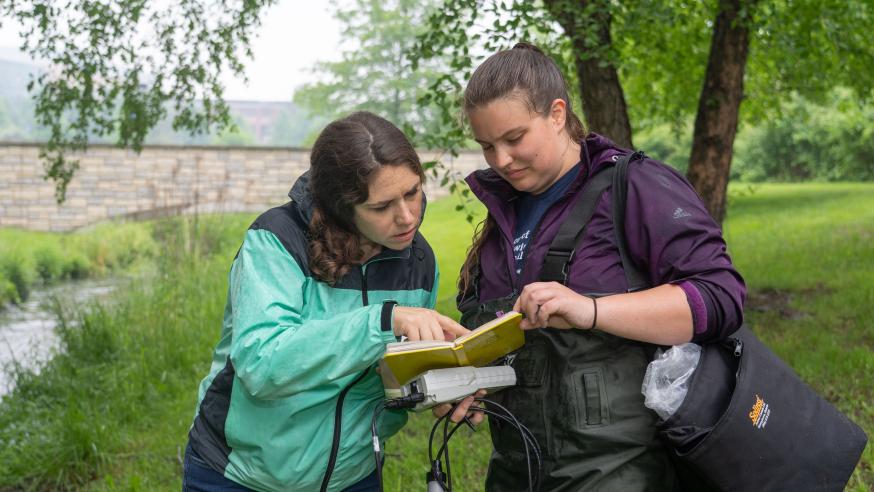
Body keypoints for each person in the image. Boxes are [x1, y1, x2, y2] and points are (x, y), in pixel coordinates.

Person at [437, 43, 746, 491]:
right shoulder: (500, 216)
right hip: (514, 472)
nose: (500, 160)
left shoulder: (634, 186)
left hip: (625, 473)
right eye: (486, 146)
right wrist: (468, 378)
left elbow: (722, 298)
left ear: (557, 114)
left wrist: (592, 310)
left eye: (514, 138)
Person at [182, 111, 469, 492]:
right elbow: (262, 362)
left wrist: (443, 384)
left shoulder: (419, 261)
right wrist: (381, 323)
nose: (407, 217)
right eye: (382, 207)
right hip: (242, 476)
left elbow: (389, 378)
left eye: (413, 192)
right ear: (340, 207)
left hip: (354, 476)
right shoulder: (276, 241)